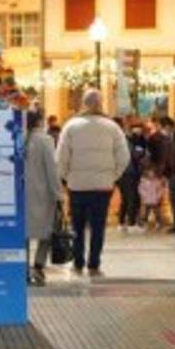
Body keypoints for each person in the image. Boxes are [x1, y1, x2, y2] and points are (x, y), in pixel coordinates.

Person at [57, 88, 128, 277]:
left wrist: (66, 178)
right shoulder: (112, 127)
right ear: (101, 103)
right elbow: (124, 157)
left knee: (77, 226)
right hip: (102, 187)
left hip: (77, 186)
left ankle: (78, 262)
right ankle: (94, 264)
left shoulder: (71, 126)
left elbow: (61, 157)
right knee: (98, 226)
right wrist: (112, 176)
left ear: (83, 103)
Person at [24, 111, 63, 285]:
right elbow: (52, 170)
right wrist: (58, 194)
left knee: (23, 235)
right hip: (42, 195)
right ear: (40, 122)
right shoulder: (45, 141)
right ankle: (38, 267)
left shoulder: (17, 140)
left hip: (22, 196)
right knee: (46, 233)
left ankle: (23, 270)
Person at [119, 123, 147, 233]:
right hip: (129, 172)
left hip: (124, 173)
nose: (138, 133)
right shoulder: (131, 142)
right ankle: (131, 224)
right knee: (131, 198)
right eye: (136, 132)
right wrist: (142, 149)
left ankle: (121, 223)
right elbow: (136, 154)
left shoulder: (124, 141)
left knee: (126, 198)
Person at [138, 163, 166, 232]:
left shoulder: (157, 181)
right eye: (150, 172)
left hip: (155, 200)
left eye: (152, 172)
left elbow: (161, 189)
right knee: (145, 212)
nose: (151, 174)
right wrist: (144, 196)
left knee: (157, 212)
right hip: (147, 200)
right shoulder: (143, 181)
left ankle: (159, 223)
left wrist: (158, 196)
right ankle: (144, 223)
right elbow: (141, 189)